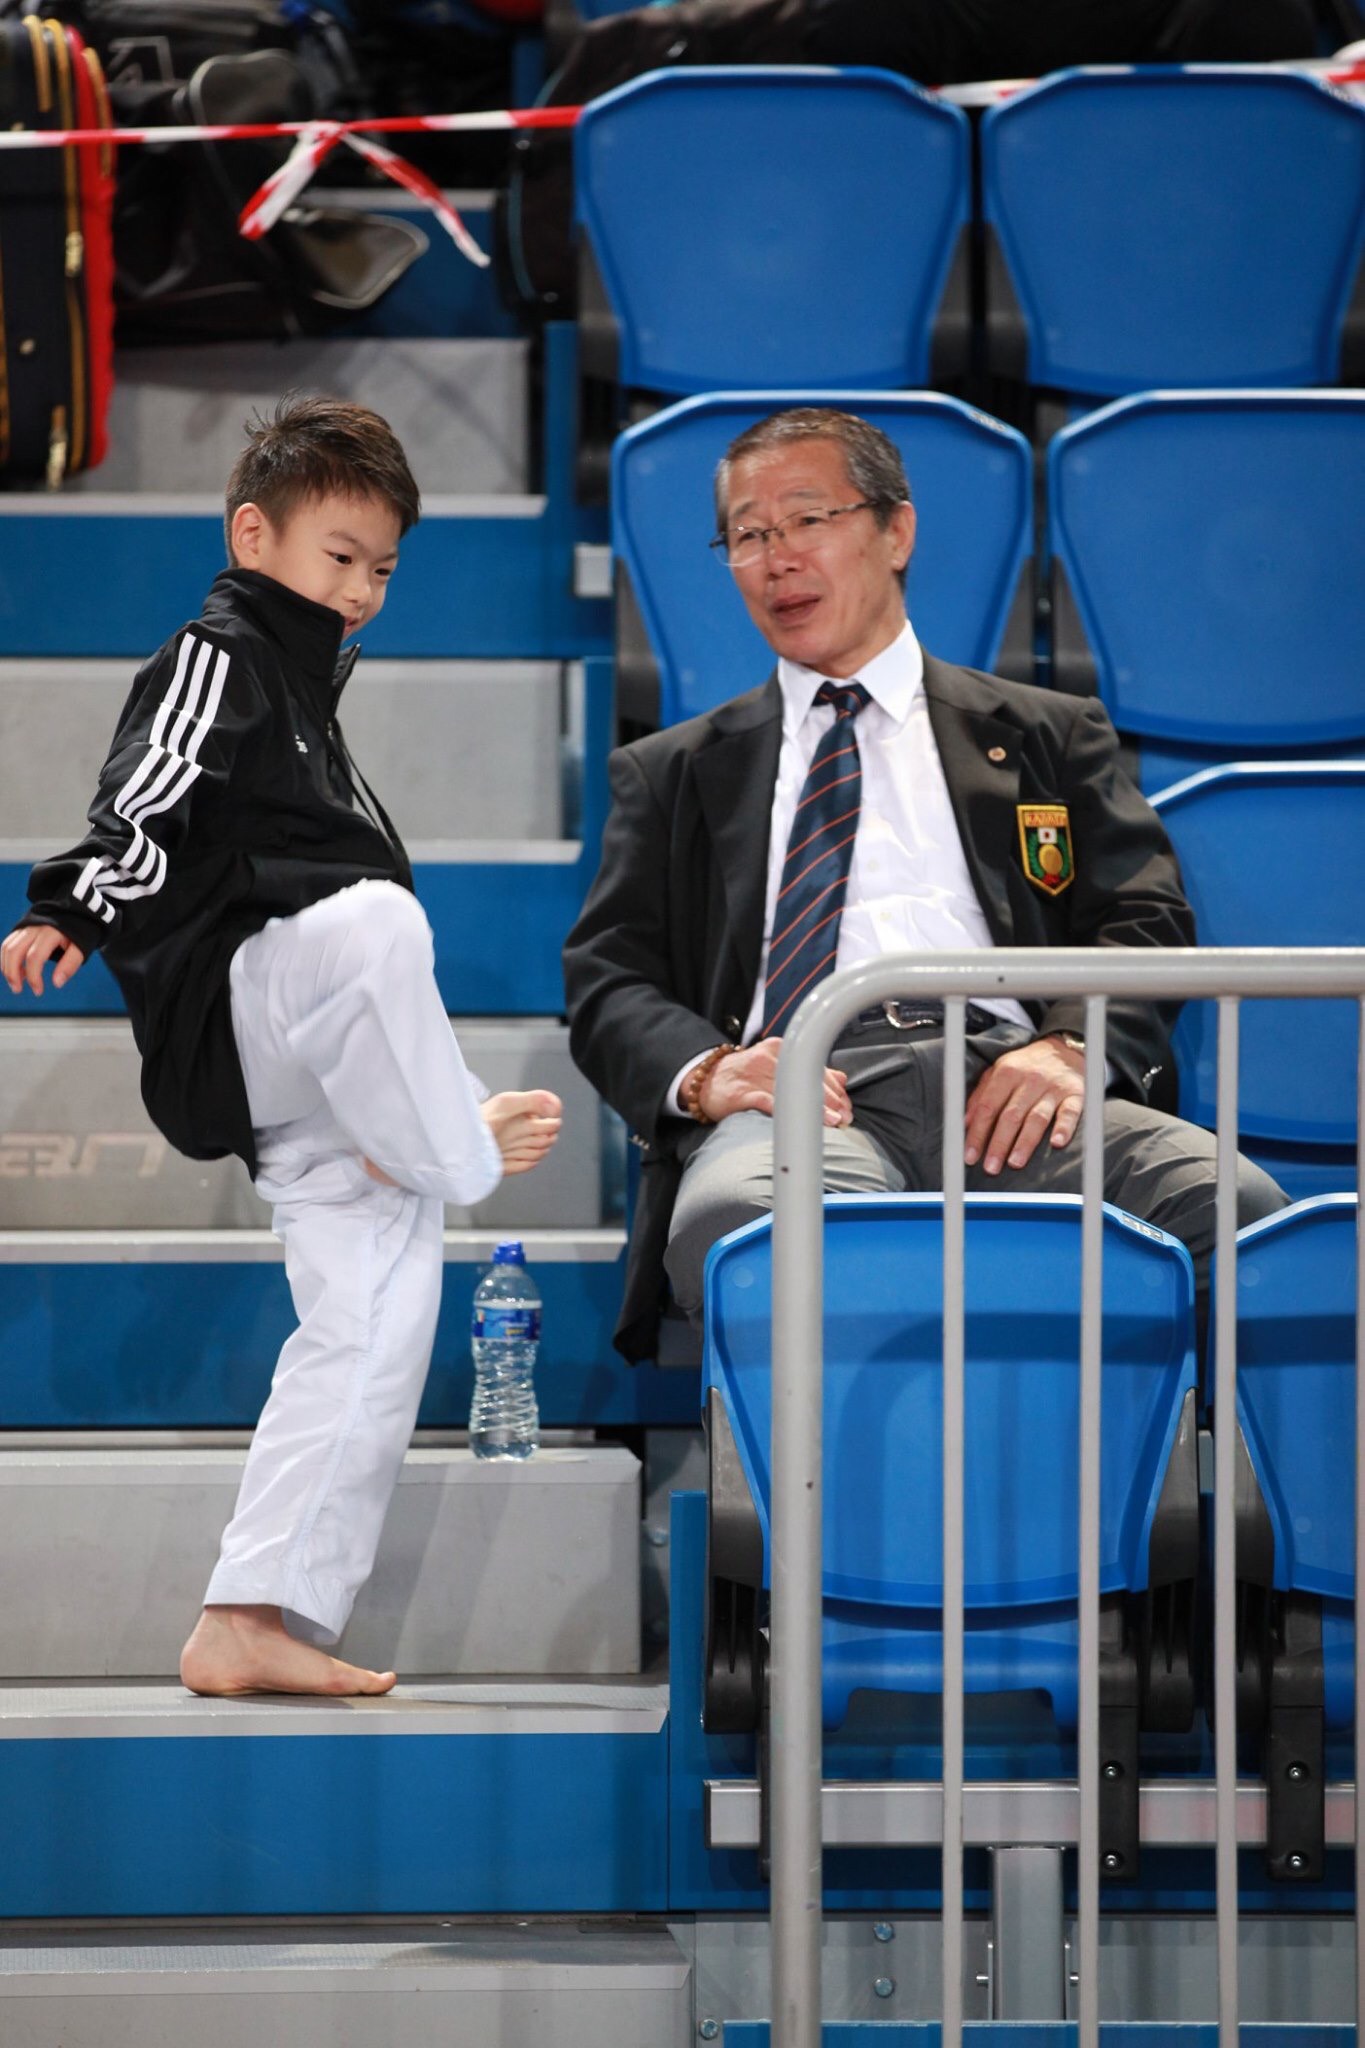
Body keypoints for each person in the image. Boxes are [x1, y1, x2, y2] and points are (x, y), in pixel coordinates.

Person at [1, 394, 563, 1698]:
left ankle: (250, 1614)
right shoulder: (223, 650)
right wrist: (73, 905)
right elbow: (146, 787)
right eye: (339, 556)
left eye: (383, 569)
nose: (362, 591)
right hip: (235, 1015)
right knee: (377, 924)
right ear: (254, 536)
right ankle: (451, 1143)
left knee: (375, 1322)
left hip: (305, 1066)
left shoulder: (312, 685)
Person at [563, 405, 1285, 1363]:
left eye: (806, 519)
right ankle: (867, 1465)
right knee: (746, 1224)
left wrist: (1070, 1045)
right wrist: (708, 1071)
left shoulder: (1046, 734)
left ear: (894, 531)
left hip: (1013, 1089)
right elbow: (608, 976)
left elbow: (1142, 918)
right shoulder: (673, 772)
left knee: (1239, 1213)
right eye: (747, 535)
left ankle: (1147, 1460)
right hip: (808, 1093)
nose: (777, 558)